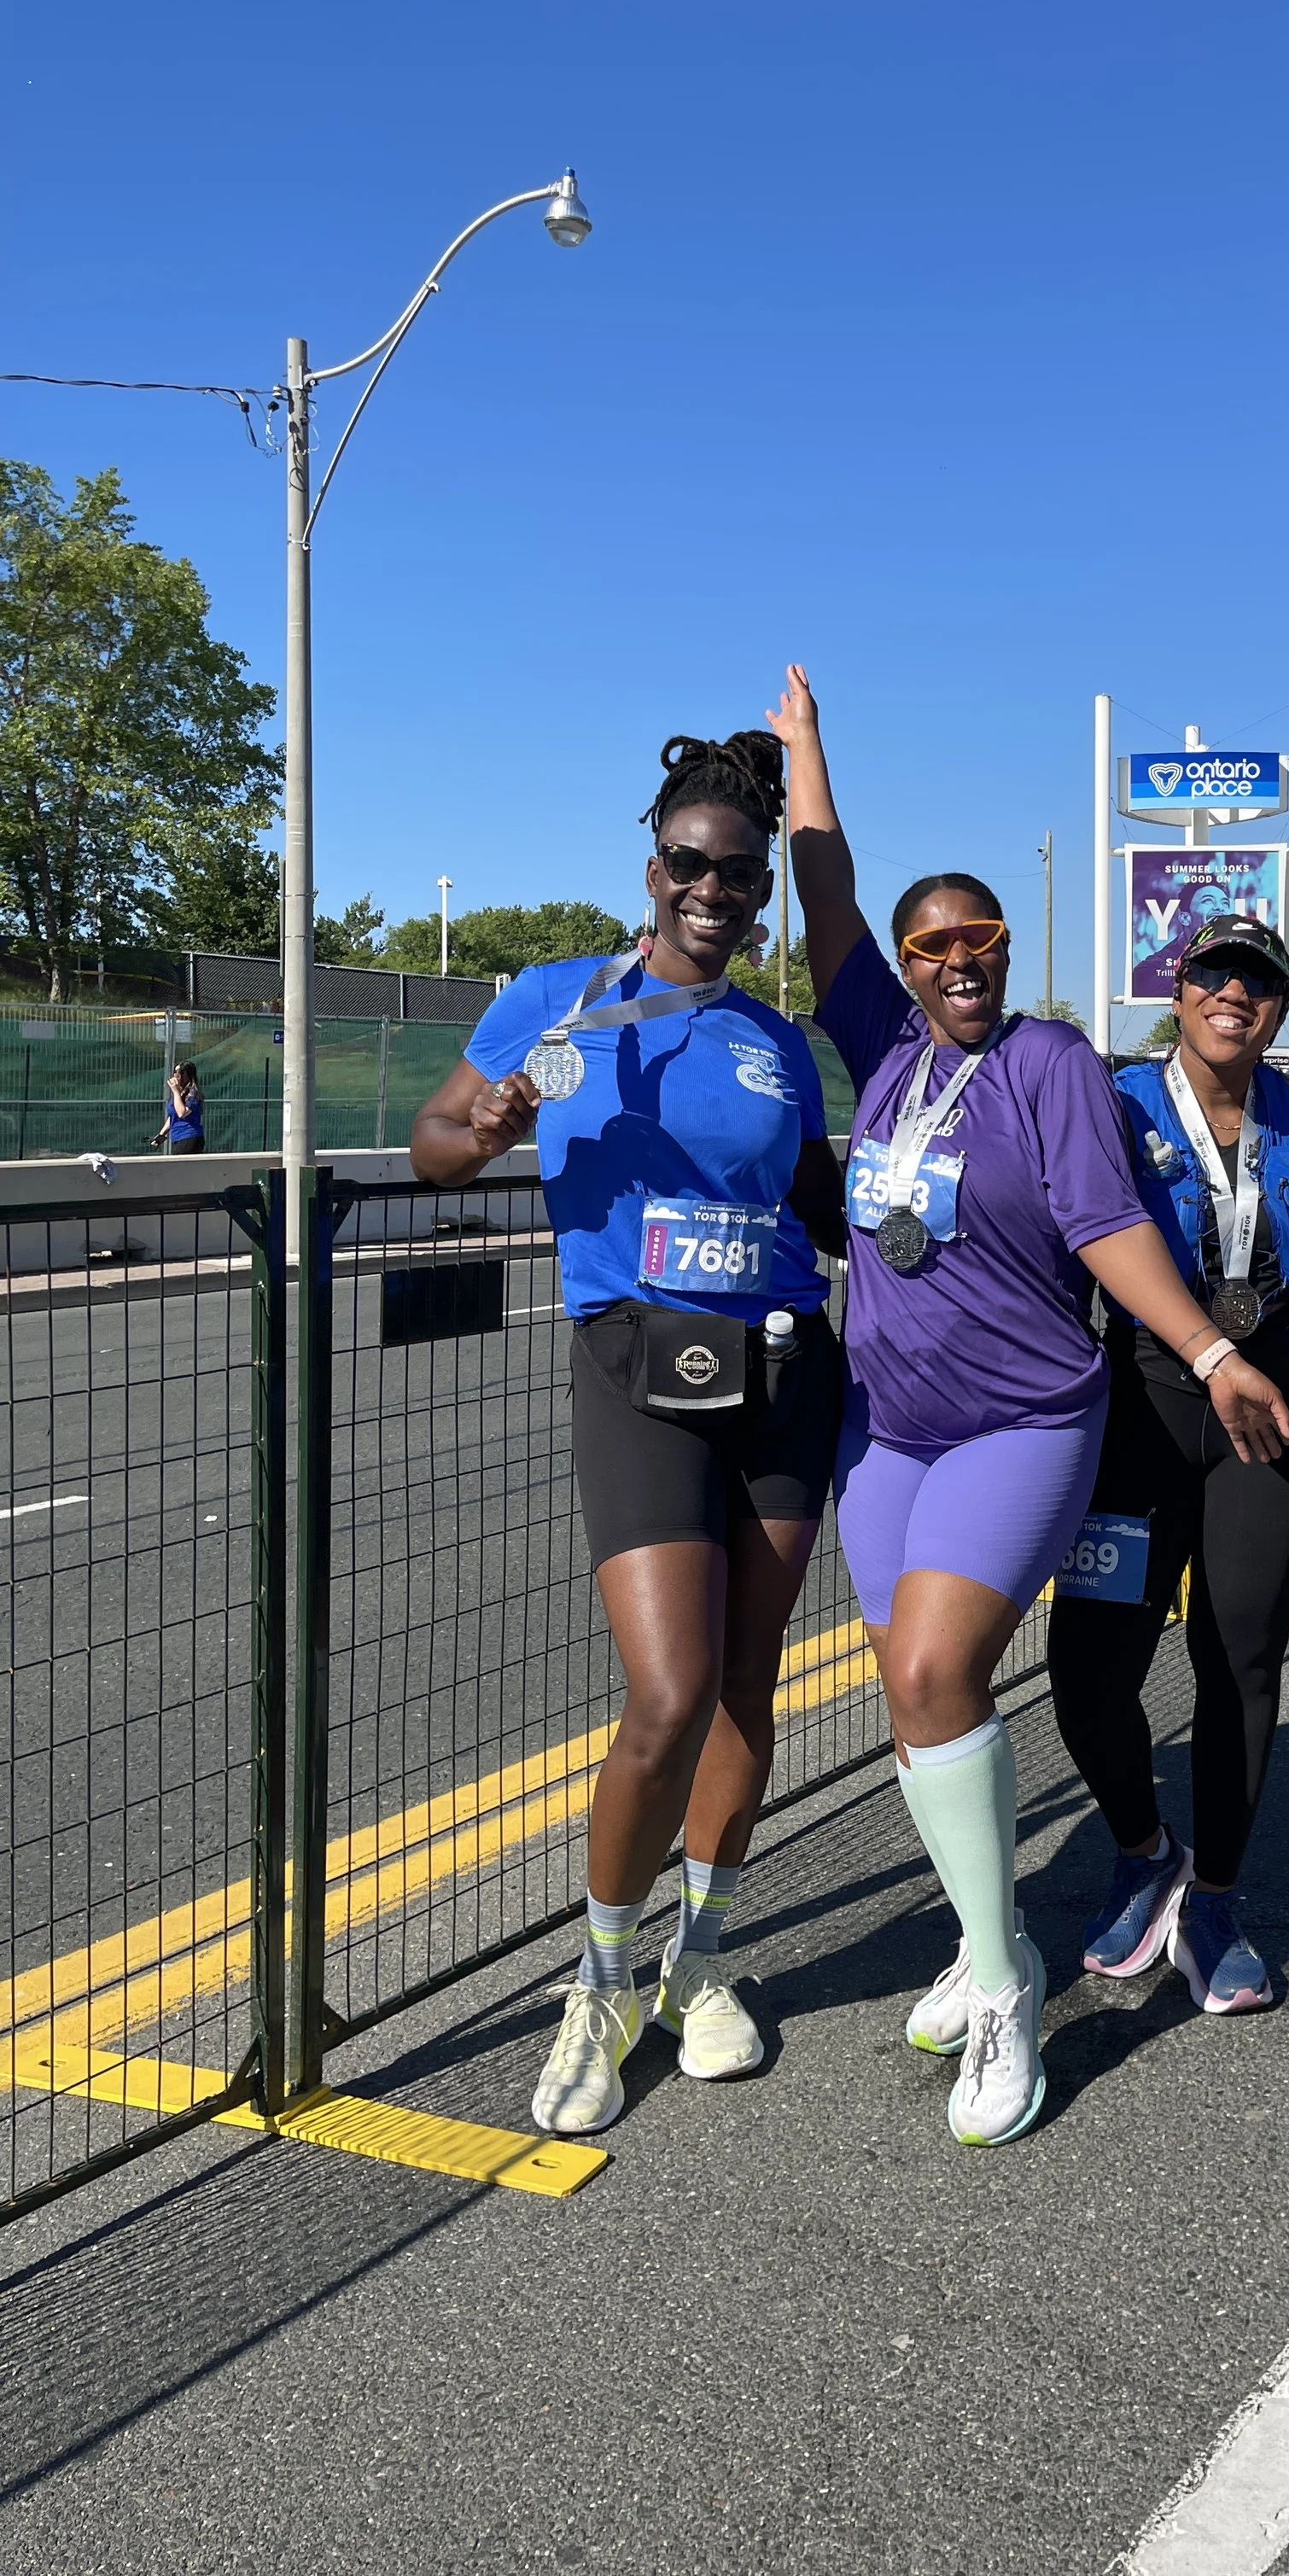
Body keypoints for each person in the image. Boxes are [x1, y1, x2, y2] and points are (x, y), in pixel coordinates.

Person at [769, 666, 1289, 2147]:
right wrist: (811, 752)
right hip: (890, 1426)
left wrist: (1205, 1351)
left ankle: (1005, 1982)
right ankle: (980, 1932)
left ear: (1005, 948)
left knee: (940, 1669)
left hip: (1019, 1422)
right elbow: (825, 900)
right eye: (932, 941)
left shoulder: (1046, 1061)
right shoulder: (880, 1047)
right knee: (913, 1700)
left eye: (977, 937)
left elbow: (1107, 1230)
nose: (954, 959)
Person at [411, 729, 847, 2136]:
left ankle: (700, 1961)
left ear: (759, 891)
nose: (713, 885)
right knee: (665, 1693)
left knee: (744, 1680)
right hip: (634, 1363)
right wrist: (481, 1124)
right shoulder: (561, 1001)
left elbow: (836, 1214)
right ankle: (598, 1982)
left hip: (781, 1369)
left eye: (739, 870)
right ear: (651, 866)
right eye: (689, 862)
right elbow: (435, 1141)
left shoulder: (776, 1040)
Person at [1048, 911, 1289, 2015]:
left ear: (1279, 1005)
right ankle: (1142, 1848)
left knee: (1239, 1652)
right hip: (1143, 1403)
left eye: (1259, 980)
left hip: (1271, 1404)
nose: (1234, 993)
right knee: (1088, 1662)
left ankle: (1214, 1899)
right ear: (1176, 988)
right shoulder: (1111, 1102)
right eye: (1213, 971)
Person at [149, 1060, 204, 1151]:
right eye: (175, 1072)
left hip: (189, 1137)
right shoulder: (179, 1094)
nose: (176, 1075)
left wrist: (175, 1091)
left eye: (180, 1072)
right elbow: (173, 1116)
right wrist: (161, 1135)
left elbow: (181, 1113)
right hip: (178, 1137)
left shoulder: (193, 1094)